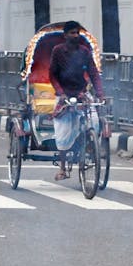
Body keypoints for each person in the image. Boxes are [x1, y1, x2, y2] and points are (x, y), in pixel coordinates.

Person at [48, 21, 104, 180]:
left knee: (94, 120)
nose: (76, 35)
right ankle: (63, 168)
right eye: (72, 33)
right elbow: (52, 75)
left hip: (81, 93)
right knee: (63, 131)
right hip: (64, 95)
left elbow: (93, 73)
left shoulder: (85, 52)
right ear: (65, 35)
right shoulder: (58, 51)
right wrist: (60, 92)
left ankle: (89, 147)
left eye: (77, 33)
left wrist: (100, 93)